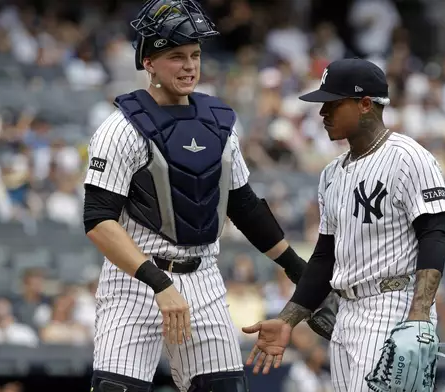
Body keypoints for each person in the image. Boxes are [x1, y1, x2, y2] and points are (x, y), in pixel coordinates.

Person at [82, 1, 336, 391]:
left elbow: (244, 204)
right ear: (148, 61)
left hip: (203, 277)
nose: (189, 66)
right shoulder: (120, 128)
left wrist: (296, 268)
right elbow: (98, 221)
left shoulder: (218, 123)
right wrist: (159, 285)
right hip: (135, 280)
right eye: (176, 56)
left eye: (195, 55)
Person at [242, 58, 445, 392]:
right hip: (345, 314)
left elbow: (434, 235)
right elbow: (325, 257)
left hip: (392, 306)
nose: (323, 114)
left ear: (365, 104)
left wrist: (420, 314)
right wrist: (287, 321)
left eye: (333, 104)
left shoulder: (409, 157)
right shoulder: (331, 174)